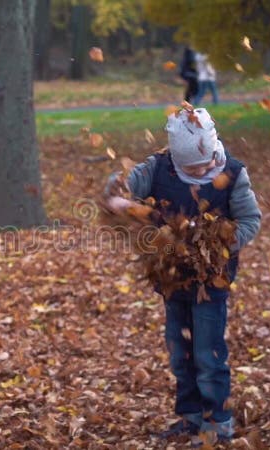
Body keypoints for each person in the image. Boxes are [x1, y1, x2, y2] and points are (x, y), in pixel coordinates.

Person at [105, 108, 261, 445]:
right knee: (180, 350)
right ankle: (190, 417)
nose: (204, 171)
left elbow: (250, 220)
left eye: (207, 164)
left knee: (208, 352)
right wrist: (118, 197)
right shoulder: (159, 167)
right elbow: (119, 184)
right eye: (194, 168)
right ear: (176, 160)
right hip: (172, 277)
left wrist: (219, 242)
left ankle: (218, 423)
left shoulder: (233, 174)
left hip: (211, 280)